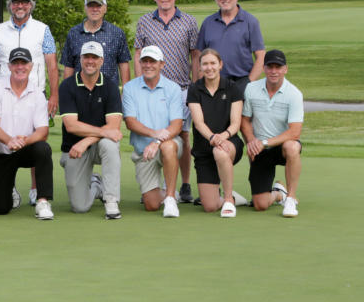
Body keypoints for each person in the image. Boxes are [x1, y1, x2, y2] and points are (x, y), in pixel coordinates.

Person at [0, 0, 59, 208]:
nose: (20, 6)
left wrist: (53, 95)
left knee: (37, 142)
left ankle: (36, 190)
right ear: (10, 5)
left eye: (24, 2)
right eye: (16, 2)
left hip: (35, 93)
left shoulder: (42, 30)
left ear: (30, 5)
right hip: (4, 93)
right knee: (6, 139)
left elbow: (52, 65)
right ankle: (9, 184)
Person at [134, 0, 201, 204]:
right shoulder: (144, 21)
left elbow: (195, 56)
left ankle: (184, 184)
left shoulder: (189, 21)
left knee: (182, 135)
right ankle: (157, 185)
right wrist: (138, 84)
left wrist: (195, 86)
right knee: (153, 132)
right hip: (151, 89)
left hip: (181, 88)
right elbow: (138, 54)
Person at [0, 48, 55, 220]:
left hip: (25, 149)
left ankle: (42, 201)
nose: (20, 67)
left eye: (24, 63)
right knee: (1, 208)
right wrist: (10, 140)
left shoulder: (38, 94)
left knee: (43, 149)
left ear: (31, 66)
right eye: (15, 63)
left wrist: (23, 141)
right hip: (0, 152)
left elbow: (43, 132)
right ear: (9, 66)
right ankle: (10, 187)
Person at [57, 42, 123, 219]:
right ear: (80, 59)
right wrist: (104, 132)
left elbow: (114, 126)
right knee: (80, 207)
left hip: (94, 146)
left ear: (102, 61)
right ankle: (97, 186)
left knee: (110, 144)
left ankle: (111, 199)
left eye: (95, 57)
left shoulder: (110, 86)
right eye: (86, 57)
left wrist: (86, 141)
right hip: (74, 149)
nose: (90, 61)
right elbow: (71, 125)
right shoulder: (67, 86)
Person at [122, 45, 184, 217]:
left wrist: (157, 141)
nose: (148, 65)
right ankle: (166, 193)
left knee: (167, 147)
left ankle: (170, 198)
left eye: (153, 61)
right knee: (151, 205)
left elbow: (177, 125)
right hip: (144, 151)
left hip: (168, 143)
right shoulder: (129, 88)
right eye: (145, 61)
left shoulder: (173, 88)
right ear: (140, 63)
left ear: (162, 64)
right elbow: (130, 122)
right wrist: (153, 134)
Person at [240, 50, 304, 217]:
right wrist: (251, 140)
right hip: (260, 149)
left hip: (281, 147)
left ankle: (290, 199)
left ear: (285, 69)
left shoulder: (294, 94)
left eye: (278, 67)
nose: (274, 71)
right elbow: (244, 120)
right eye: (270, 67)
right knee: (260, 205)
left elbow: (295, 132)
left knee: (292, 147)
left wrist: (264, 143)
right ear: (264, 68)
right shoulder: (251, 88)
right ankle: (279, 194)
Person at [187, 49, 247, 217]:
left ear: (220, 65)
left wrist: (223, 137)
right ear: (199, 67)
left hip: (229, 144)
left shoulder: (233, 88)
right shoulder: (194, 89)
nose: (209, 67)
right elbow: (198, 123)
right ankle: (234, 198)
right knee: (210, 206)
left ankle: (228, 200)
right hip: (204, 150)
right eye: (205, 64)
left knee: (220, 152)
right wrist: (213, 137)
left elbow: (236, 123)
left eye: (213, 63)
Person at [196, 0, 266, 88]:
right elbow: (199, 56)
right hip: (213, 82)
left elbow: (261, 57)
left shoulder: (250, 21)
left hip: (242, 81)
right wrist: (202, 84)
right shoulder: (208, 22)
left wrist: (248, 82)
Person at [60, 0, 131, 86]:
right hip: (80, 91)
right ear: (85, 8)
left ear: (105, 8)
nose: (95, 9)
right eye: (91, 6)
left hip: (109, 92)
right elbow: (69, 66)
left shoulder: (117, 33)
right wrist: (66, 91)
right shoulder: (74, 33)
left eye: (99, 6)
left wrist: (126, 91)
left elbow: (123, 64)